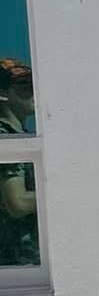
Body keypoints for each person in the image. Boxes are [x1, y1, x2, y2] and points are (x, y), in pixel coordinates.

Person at [0, 57, 39, 268]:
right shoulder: (3, 136)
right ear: (3, 94)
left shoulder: (20, 136)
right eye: (24, 85)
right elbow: (18, 202)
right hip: (14, 264)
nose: (34, 91)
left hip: (24, 262)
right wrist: (67, 191)